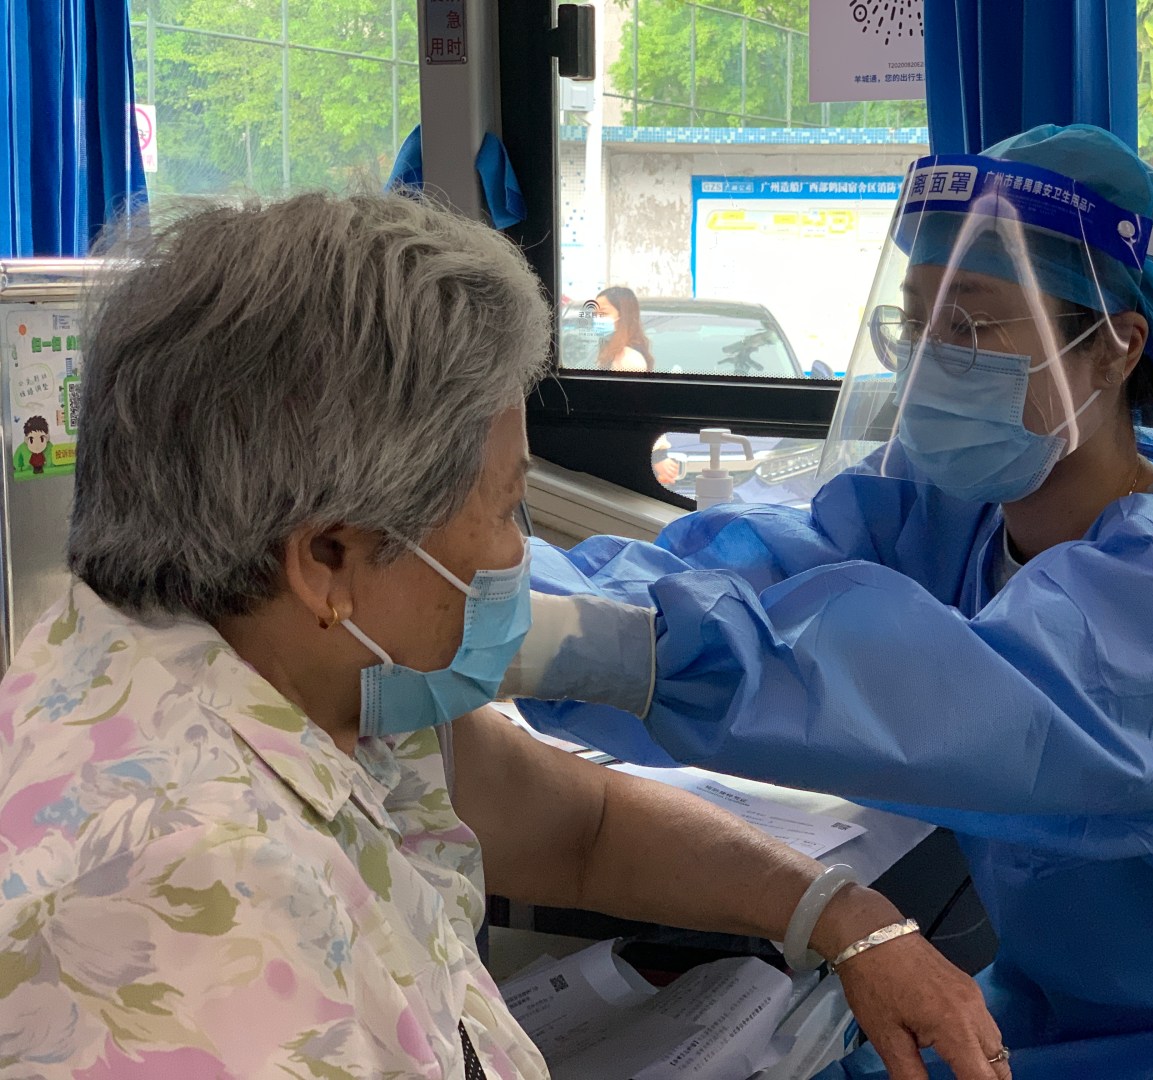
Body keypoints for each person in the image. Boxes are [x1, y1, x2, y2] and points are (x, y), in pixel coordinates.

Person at [0, 194, 1009, 1078]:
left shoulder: (293, 675)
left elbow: (581, 829)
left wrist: (843, 916)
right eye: (506, 509)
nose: (521, 554)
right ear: (330, 561)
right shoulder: (196, 911)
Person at [507, 125, 1153, 1077]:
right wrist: (522, 596)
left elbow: (924, 693)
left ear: (1115, 349)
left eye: (973, 326)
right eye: (913, 325)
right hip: (1055, 1018)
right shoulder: (950, 509)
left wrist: (587, 649)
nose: (928, 363)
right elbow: (756, 564)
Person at [594, 285, 655, 372]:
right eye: (595, 314)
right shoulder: (609, 352)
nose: (597, 319)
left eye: (603, 313)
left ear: (623, 315)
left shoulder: (630, 359)